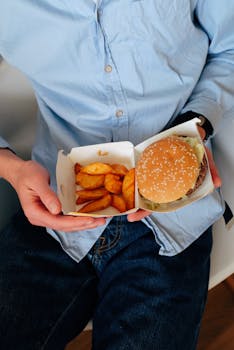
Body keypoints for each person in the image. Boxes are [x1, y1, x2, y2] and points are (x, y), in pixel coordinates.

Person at [0, 1, 233, 349]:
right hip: (55, 208)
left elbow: (230, 49)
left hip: (171, 219)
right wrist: (11, 168)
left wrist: (197, 126)